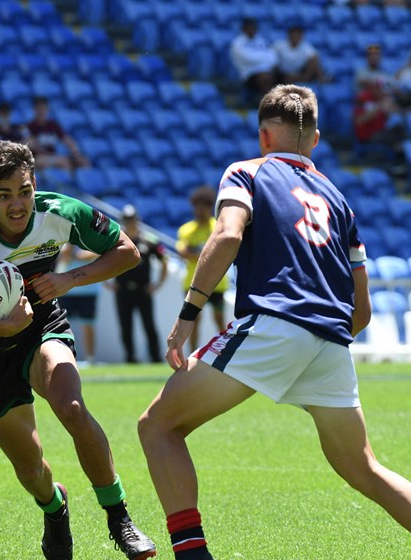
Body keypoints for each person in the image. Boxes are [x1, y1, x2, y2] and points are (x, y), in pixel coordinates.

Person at [137, 84, 411, 560]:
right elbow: (360, 311)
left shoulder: (246, 172)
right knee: (364, 468)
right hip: (331, 339)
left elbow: (226, 235)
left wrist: (188, 313)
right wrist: (316, 345)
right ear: (317, 140)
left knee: (158, 426)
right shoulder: (340, 202)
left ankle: (192, 555)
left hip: (276, 321)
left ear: (265, 136)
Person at [0, 140, 157, 560]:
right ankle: (54, 506)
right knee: (31, 469)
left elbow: (128, 252)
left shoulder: (59, 212)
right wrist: (0, 325)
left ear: (35, 184)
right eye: (4, 195)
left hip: (41, 327)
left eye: (24, 191)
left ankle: (119, 518)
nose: (17, 205)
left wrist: (71, 279)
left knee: (72, 407)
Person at [113, 205, 167, 364]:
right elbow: (102, 259)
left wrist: (158, 284)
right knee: (125, 326)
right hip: (122, 290)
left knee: (149, 324)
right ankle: (130, 357)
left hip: (143, 290)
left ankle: (155, 357)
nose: (130, 223)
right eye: (126, 220)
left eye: (132, 220)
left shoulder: (149, 240)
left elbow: (164, 261)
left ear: (137, 220)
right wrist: (107, 282)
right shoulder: (117, 240)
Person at [176, 187, 228, 351]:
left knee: (219, 319)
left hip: (217, 282)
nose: (200, 210)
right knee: (192, 320)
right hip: (192, 282)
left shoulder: (219, 226)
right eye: (197, 206)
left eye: (204, 206)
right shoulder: (186, 229)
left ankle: (224, 352)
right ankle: (191, 355)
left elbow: (220, 251)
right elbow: (183, 253)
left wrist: (195, 253)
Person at [55, 243, 99, 365]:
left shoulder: (91, 240)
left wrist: (79, 256)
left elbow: (94, 255)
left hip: (88, 290)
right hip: (65, 291)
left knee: (88, 325)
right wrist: (71, 245)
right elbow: (65, 256)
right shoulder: (64, 241)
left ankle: (90, 359)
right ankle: (64, 358)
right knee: (61, 327)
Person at [27, 96, 89, 172]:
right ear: (34, 110)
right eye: (38, 109)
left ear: (47, 109)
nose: (41, 112)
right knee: (62, 162)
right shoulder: (30, 127)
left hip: (53, 157)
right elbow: (29, 144)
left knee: (83, 162)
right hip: (39, 158)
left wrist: (76, 154)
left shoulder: (53, 126)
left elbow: (67, 140)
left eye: (43, 109)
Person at [229, 17, 278, 104]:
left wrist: (261, 58)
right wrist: (264, 58)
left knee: (284, 74)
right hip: (248, 74)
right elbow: (248, 59)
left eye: (253, 27)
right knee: (264, 77)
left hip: (266, 71)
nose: (252, 29)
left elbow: (273, 56)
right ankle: (268, 103)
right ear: (244, 29)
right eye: (249, 27)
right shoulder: (238, 43)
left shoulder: (261, 40)